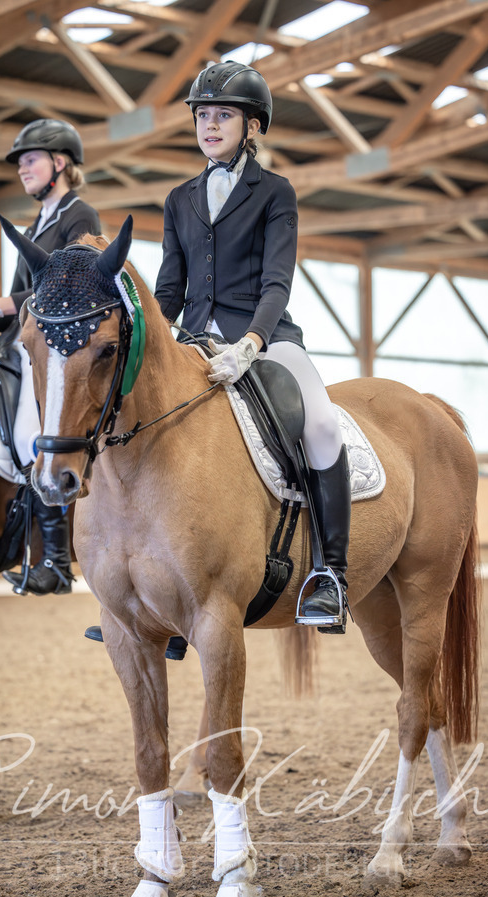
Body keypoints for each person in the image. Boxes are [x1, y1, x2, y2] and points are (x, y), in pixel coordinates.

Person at [154, 61, 351, 633]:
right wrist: (155, 338)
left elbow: (277, 284)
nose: (210, 125)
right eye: (203, 115)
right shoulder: (179, 198)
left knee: (320, 426)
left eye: (224, 115)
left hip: (265, 339)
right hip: (194, 342)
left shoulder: (276, 194)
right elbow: (170, 288)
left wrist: (250, 342)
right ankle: (158, 591)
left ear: (252, 126)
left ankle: (330, 575)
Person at [0, 118, 101, 596]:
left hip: (62, 349)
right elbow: (28, 306)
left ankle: (58, 561)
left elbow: (66, 289)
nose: (23, 170)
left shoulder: (80, 217)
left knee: (30, 432)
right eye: (20, 163)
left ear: (60, 163)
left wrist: (2, 302)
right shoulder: (34, 224)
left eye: (31, 160)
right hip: (25, 342)